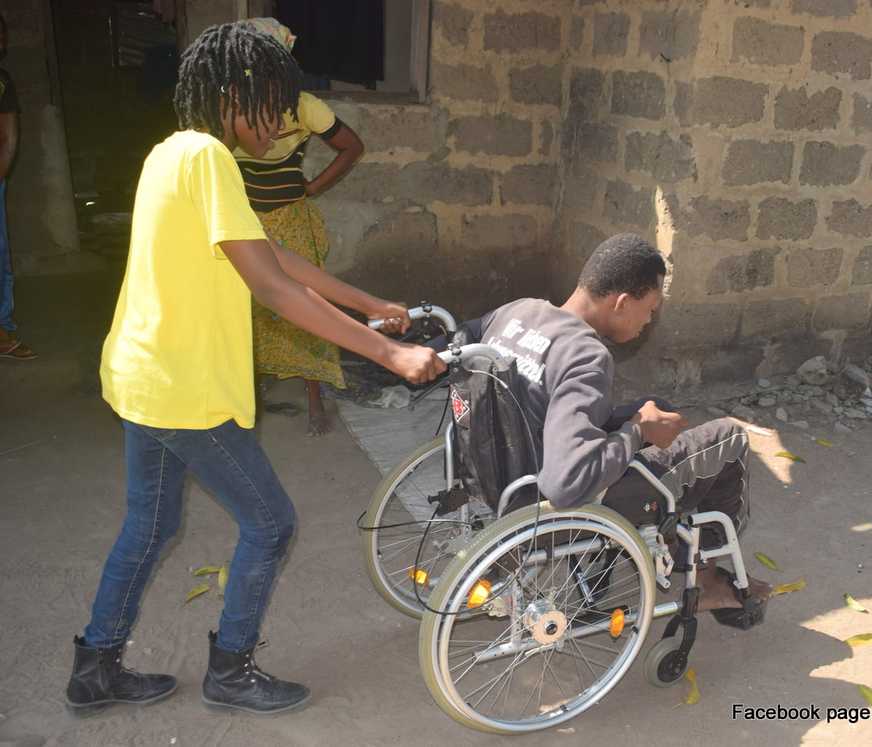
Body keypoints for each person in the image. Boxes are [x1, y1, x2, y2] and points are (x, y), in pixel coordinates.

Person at [65, 22, 445, 715]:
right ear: (236, 96)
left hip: (141, 378)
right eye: (273, 103)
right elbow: (271, 287)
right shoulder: (209, 160)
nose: (282, 123)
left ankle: (95, 665)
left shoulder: (171, 154)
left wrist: (373, 304)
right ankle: (232, 669)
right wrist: (387, 351)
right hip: (182, 390)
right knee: (270, 523)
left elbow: (270, 255)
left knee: (147, 527)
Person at [476, 233, 769, 619]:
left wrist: (641, 421)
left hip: (500, 472)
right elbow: (568, 484)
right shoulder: (586, 357)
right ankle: (706, 573)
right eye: (649, 310)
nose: (649, 322)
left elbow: (459, 345)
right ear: (621, 303)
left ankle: (664, 538)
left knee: (659, 410)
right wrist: (636, 432)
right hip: (551, 506)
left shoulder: (517, 312)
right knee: (728, 440)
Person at [234, 18, 364, 435]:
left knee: (305, 304)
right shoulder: (229, 108)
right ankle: (248, 388)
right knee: (245, 308)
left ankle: (314, 397)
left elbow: (351, 146)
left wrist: (313, 187)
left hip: (290, 218)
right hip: (243, 222)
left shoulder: (305, 106)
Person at [0, 13, 35, 361]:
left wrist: (1, 173)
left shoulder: (2, 81)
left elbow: (9, 136)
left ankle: (3, 328)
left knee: (0, 257)